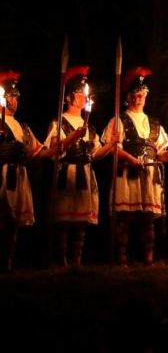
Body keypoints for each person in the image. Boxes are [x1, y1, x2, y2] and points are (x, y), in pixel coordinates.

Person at [44, 66, 115, 267]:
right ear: (68, 98)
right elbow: (54, 149)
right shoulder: (59, 122)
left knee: (81, 222)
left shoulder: (89, 127)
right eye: (78, 93)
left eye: (84, 94)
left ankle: (76, 261)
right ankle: (62, 261)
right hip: (67, 174)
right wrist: (73, 136)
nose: (83, 97)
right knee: (65, 221)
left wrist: (111, 144)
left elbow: (95, 154)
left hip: (85, 173)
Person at [102, 67, 168, 266]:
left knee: (148, 218)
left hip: (149, 175)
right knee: (125, 217)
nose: (139, 98)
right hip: (126, 174)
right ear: (128, 97)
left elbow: (162, 152)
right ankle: (122, 258)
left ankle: (149, 258)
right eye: (136, 95)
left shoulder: (154, 123)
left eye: (142, 95)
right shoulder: (119, 119)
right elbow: (113, 148)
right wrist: (130, 159)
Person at [0, 71, 52, 271]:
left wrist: (64, 144)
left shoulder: (22, 126)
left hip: (18, 175)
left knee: (12, 222)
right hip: (2, 174)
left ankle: (7, 262)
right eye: (11, 96)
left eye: (17, 97)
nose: (15, 101)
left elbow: (38, 152)